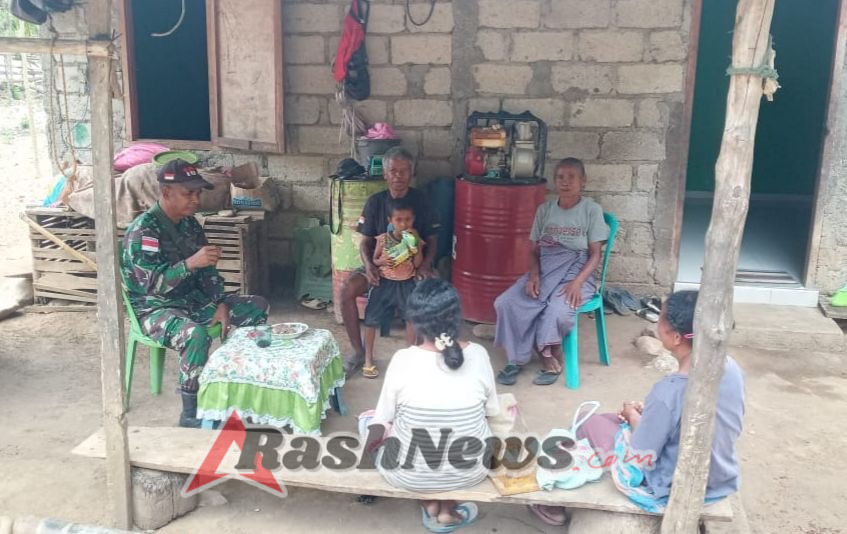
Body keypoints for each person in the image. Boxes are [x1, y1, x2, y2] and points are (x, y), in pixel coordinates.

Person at [529, 291, 746, 526]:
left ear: (675, 337)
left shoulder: (668, 391)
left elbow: (642, 452)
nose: (656, 322)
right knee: (611, 419)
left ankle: (554, 499)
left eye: (661, 318)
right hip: (719, 477)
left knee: (586, 421)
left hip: (673, 481)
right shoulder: (730, 367)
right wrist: (643, 418)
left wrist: (633, 415)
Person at [122, 159, 269, 428]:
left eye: (198, 192)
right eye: (188, 193)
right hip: (155, 309)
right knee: (195, 335)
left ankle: (241, 384)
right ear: (166, 193)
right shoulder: (144, 231)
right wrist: (190, 263)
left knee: (256, 306)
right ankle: (190, 412)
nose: (196, 199)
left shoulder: (190, 225)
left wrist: (220, 302)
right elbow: (151, 285)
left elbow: (208, 273)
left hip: (192, 301)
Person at [360, 279, 499, 532]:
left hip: (408, 474)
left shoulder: (403, 359)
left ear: (412, 321)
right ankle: (447, 509)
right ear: (456, 317)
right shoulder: (478, 354)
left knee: (368, 422)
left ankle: (428, 501)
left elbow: (382, 421)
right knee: (472, 430)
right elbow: (491, 413)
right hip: (472, 470)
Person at [493, 157, 609, 386]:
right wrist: (534, 276)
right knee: (506, 302)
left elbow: (595, 254)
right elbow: (533, 251)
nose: (565, 182)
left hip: (577, 273)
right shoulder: (545, 210)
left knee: (556, 310)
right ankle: (515, 358)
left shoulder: (591, 210)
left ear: (583, 181)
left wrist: (577, 283)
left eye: (572, 177)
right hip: (545, 270)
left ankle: (546, 353)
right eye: (560, 177)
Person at [341, 147, 438, 375]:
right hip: (379, 266)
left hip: (413, 266)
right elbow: (365, 242)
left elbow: (432, 241)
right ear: (385, 174)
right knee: (346, 289)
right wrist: (369, 266)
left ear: (411, 173)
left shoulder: (422, 201)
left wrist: (424, 267)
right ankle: (358, 352)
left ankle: (420, 354)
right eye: (393, 171)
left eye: (403, 171)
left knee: (430, 291)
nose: (398, 176)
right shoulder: (375, 202)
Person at [361, 197, 423, 379]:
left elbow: (418, 263)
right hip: (384, 283)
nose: (403, 224)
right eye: (399, 220)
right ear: (390, 221)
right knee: (371, 319)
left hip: (407, 283)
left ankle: (410, 358)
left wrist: (416, 246)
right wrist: (382, 261)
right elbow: (374, 259)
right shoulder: (383, 239)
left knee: (411, 320)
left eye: (408, 220)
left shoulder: (414, 238)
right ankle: (367, 359)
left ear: (413, 220)